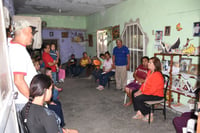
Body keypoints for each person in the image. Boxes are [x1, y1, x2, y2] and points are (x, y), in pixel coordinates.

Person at [8, 20, 37, 111]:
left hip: (21, 99)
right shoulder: (18, 51)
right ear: (24, 31)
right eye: (31, 33)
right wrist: (34, 101)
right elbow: (19, 81)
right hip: (24, 101)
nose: (32, 36)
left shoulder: (11, 45)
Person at [132, 57, 164, 122]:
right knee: (133, 92)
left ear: (155, 65)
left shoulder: (157, 75)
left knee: (138, 97)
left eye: (150, 62)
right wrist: (139, 91)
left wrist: (141, 93)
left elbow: (152, 90)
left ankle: (149, 114)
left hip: (156, 95)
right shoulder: (150, 72)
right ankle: (140, 113)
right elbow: (144, 84)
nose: (148, 64)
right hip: (149, 92)